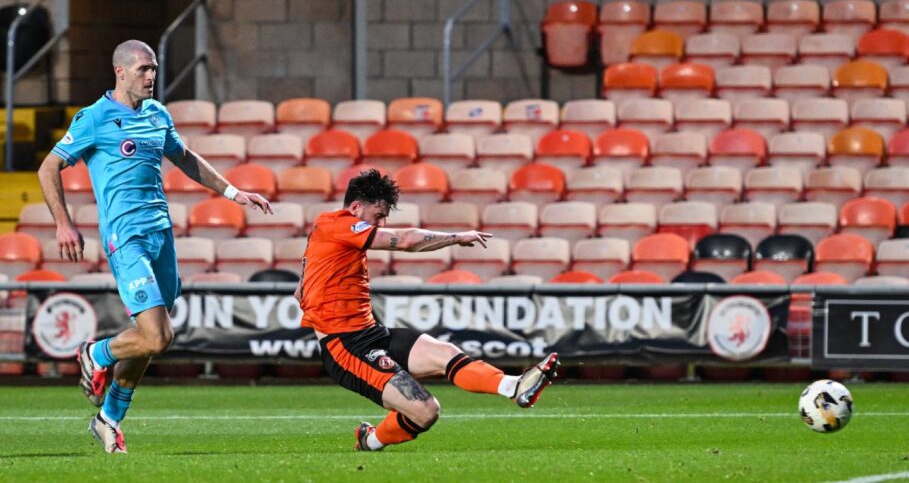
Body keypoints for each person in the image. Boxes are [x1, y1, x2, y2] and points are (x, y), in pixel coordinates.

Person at [37, 39, 273, 453]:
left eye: (155, 69)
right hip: (125, 238)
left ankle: (108, 419)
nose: (152, 76)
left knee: (153, 337)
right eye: (145, 69)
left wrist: (233, 192)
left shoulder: (157, 115)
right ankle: (94, 351)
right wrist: (64, 224)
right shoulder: (94, 118)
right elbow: (48, 166)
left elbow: (184, 157)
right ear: (121, 71)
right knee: (157, 337)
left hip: (161, 235)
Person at [294, 169, 559, 452]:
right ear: (356, 207)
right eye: (378, 215)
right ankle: (371, 441)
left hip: (371, 333)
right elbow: (407, 240)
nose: (381, 223)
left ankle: (513, 386)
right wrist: (456, 237)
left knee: (445, 353)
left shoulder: (328, 236)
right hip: (346, 348)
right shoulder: (338, 223)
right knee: (426, 410)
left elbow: (299, 292)